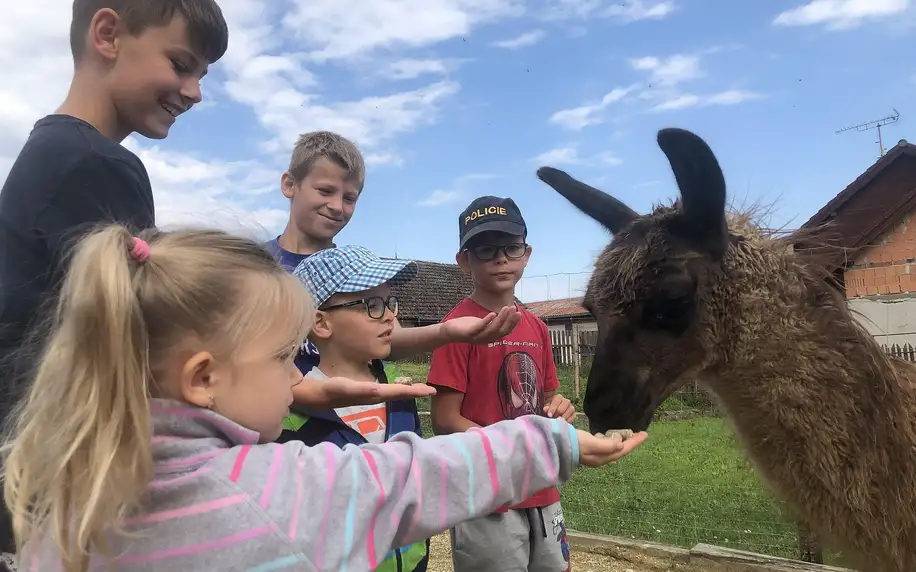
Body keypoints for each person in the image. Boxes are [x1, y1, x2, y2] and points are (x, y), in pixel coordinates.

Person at [1, 225, 648, 571]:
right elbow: (412, 473)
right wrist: (554, 441)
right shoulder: (269, 487)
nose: (295, 378)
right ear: (203, 378)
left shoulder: (64, 505)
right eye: (285, 358)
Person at [0, 0, 228, 563]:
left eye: (201, 74)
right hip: (50, 492)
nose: (194, 91)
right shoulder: (97, 165)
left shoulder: (51, 154)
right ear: (107, 34)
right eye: (181, 64)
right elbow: (141, 341)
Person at [266, 131, 521, 393]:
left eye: (349, 198)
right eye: (325, 191)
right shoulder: (255, 269)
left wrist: (449, 332)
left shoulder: (353, 271)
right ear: (289, 185)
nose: (336, 206)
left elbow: (392, 340)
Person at [428, 196, 580, 572]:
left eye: (511, 247)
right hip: (486, 495)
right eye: (485, 249)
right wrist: (508, 446)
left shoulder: (538, 328)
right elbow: (445, 418)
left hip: (540, 487)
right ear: (464, 261)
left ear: (526, 254)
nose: (501, 258)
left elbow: (547, 398)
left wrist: (561, 408)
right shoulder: (456, 328)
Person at [284, 244, 431, 571]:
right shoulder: (290, 416)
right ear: (320, 323)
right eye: (372, 305)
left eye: (390, 301)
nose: (391, 315)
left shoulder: (400, 394)